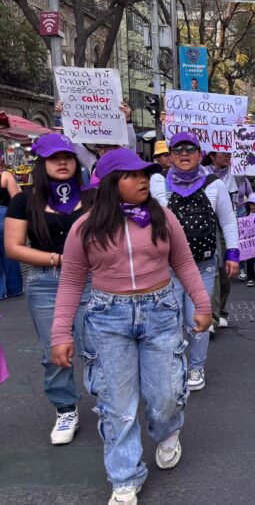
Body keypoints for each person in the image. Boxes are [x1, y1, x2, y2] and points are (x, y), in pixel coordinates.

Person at [49, 148, 211, 504]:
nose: (143, 180)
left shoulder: (163, 218)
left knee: (166, 396)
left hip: (161, 312)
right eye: (132, 175)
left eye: (144, 174)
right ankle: (124, 476)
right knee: (116, 404)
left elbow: (184, 263)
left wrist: (202, 304)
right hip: (108, 319)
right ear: (110, 183)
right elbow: (72, 281)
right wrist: (60, 333)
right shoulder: (84, 227)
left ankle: (167, 432)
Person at [4, 133, 88, 445]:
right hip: (46, 284)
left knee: (98, 346)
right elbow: (13, 248)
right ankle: (66, 408)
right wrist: (59, 258)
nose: (62, 162)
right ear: (42, 163)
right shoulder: (24, 200)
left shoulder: (93, 196)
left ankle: (111, 403)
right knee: (54, 351)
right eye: (54, 158)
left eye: (67, 156)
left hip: (92, 281)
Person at [150, 132, 240, 392]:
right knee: (168, 320)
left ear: (200, 154)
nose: (184, 154)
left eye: (191, 149)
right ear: (171, 155)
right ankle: (173, 364)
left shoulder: (215, 184)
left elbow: (228, 220)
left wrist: (233, 254)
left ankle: (196, 367)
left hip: (203, 267)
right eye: (178, 150)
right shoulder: (158, 182)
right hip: (167, 268)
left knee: (197, 321)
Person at [204, 150, 238, 331]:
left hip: (225, 225)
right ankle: (212, 316)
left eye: (229, 153)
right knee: (213, 270)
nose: (228, 156)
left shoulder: (234, 173)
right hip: (207, 227)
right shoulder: (201, 173)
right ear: (211, 155)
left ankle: (222, 310)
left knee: (226, 272)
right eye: (223, 153)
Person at [0, 163, 22, 299]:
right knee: (10, 254)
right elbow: (17, 198)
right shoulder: (5, 175)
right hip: (4, 217)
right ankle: (14, 289)